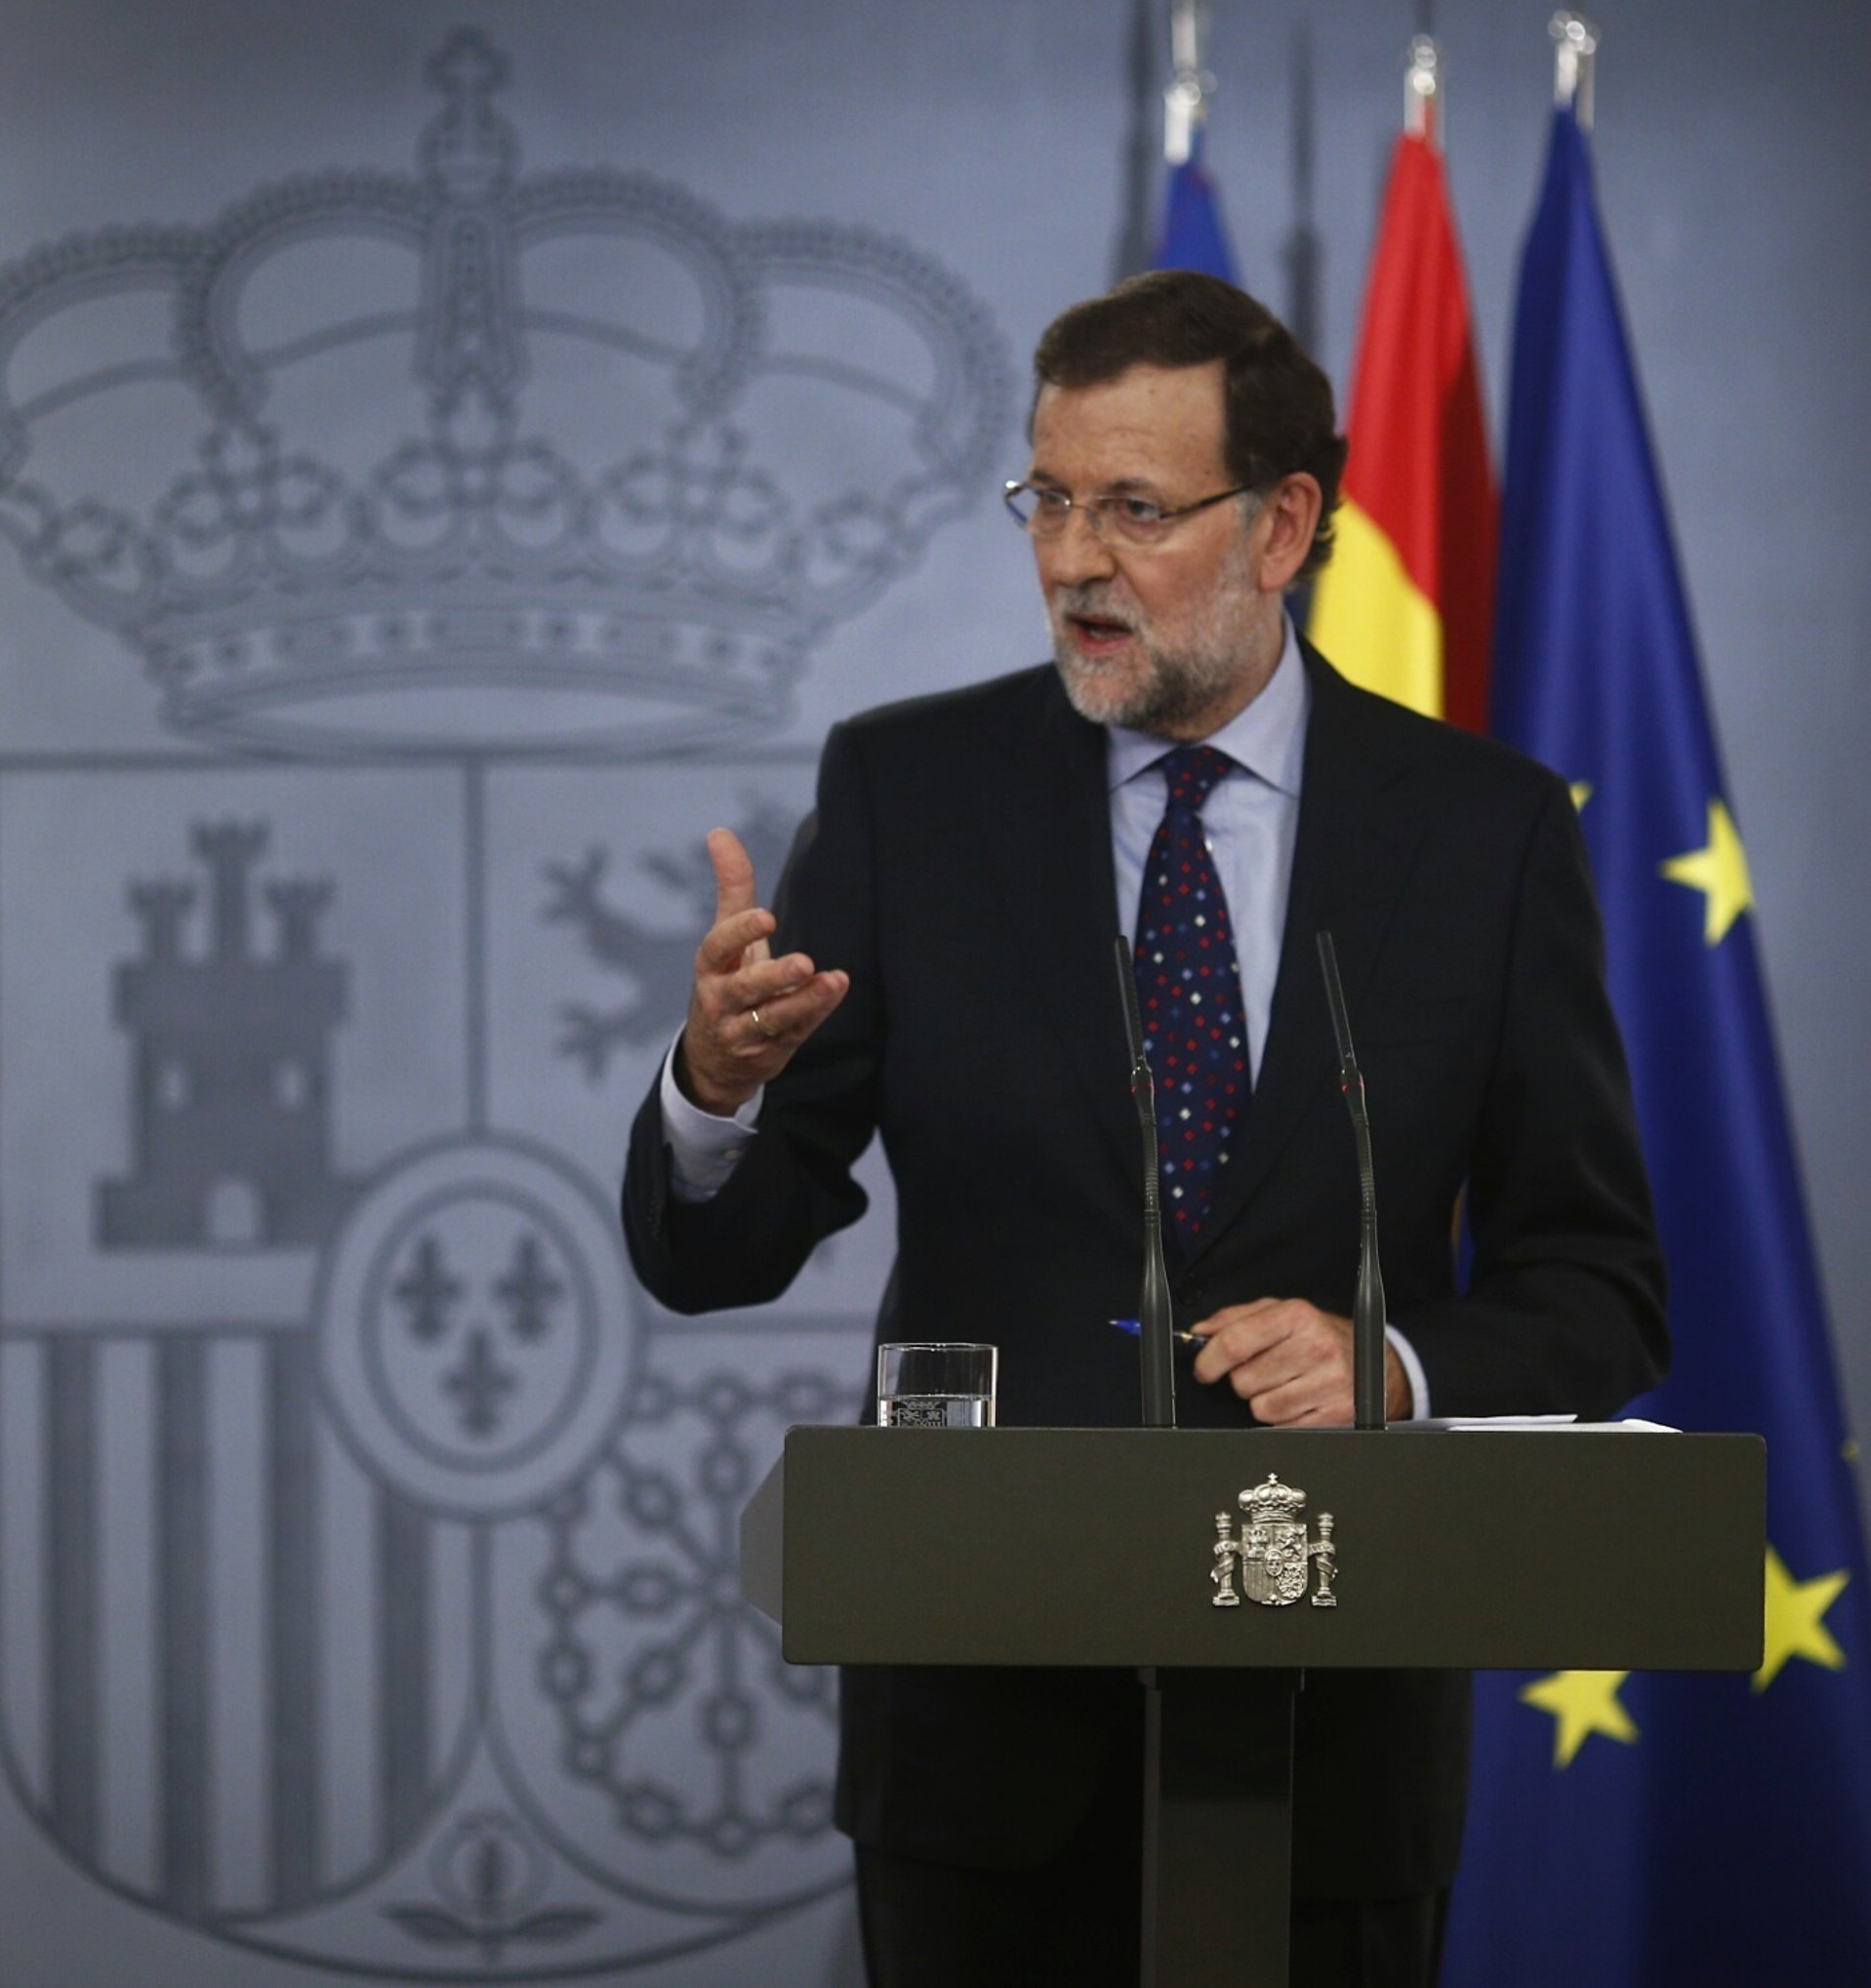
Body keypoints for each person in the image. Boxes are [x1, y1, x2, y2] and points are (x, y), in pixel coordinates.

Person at [623, 271, 1666, 1988]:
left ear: (1284, 527)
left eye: (1133, 509)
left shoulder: (1483, 836)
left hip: (1335, 1752)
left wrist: (1396, 1366)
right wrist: (717, 1093)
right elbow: (721, 1250)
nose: (1070, 561)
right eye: (1046, 500)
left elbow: (1600, 1284)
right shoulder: (910, 793)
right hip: (980, 1759)